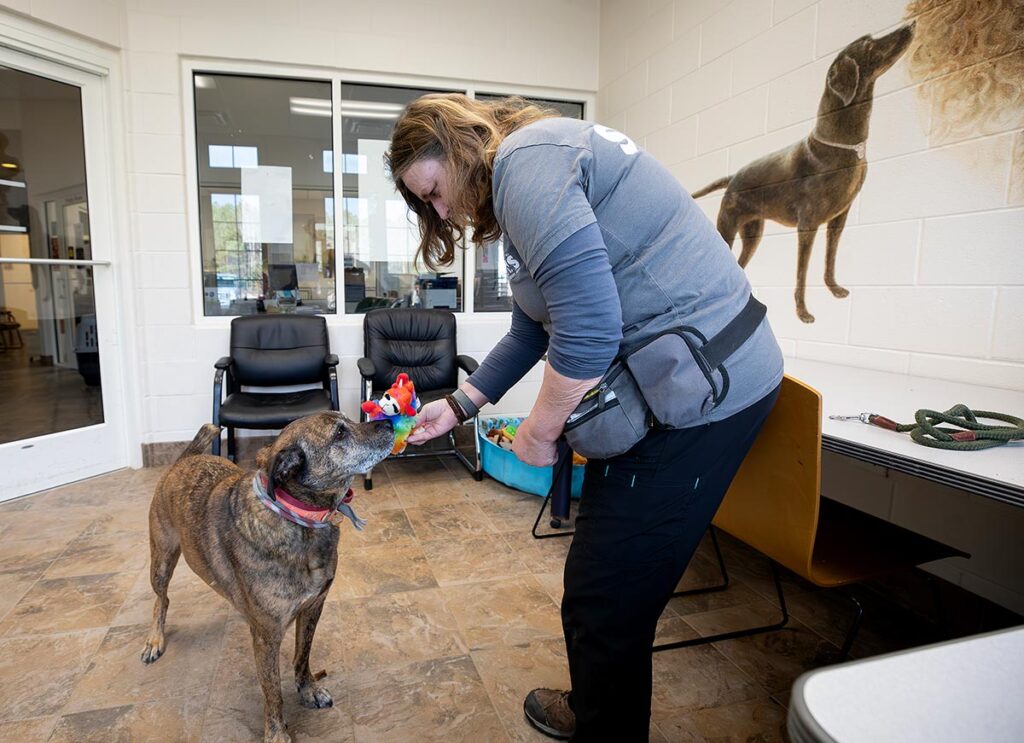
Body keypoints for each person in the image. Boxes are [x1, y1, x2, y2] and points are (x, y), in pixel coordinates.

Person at [386, 94, 784, 742]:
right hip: (671, 380)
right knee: (600, 580)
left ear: (456, 144)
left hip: (706, 390)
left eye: (433, 190)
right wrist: (459, 404)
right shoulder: (524, 180)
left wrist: (542, 430)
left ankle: (605, 723)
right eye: (426, 204)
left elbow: (591, 327)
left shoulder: (526, 162)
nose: (440, 210)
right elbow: (530, 330)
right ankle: (597, 701)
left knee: (606, 592)